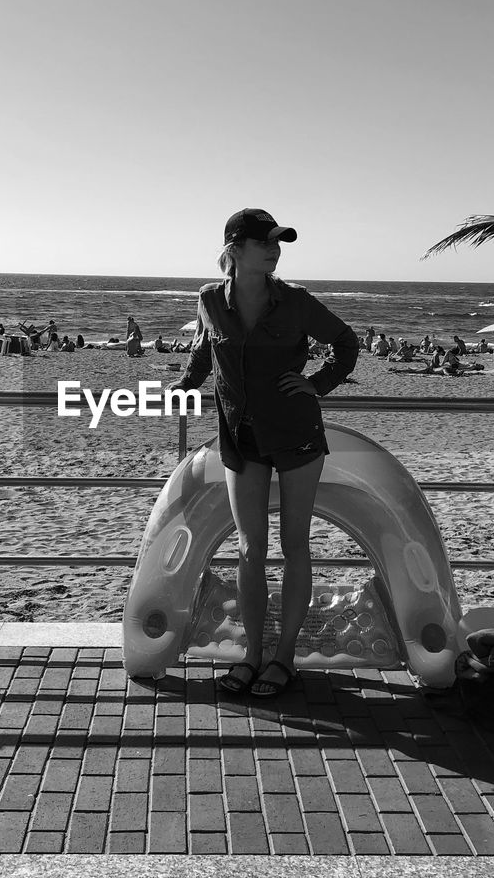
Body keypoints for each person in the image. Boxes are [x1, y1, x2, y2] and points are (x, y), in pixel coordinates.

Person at [170, 208, 358, 698]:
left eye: (279, 243)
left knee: (295, 545)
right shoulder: (210, 299)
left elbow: (345, 342)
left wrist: (316, 384)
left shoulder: (295, 302)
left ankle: (285, 657)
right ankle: (252, 655)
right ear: (235, 249)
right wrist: (184, 385)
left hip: (295, 434)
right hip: (240, 436)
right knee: (251, 548)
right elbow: (204, 349)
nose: (275, 251)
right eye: (265, 243)